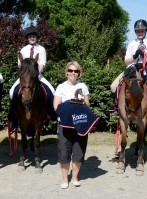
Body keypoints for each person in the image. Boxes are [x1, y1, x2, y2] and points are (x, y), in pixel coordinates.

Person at [109, 19, 147, 118]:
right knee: (113, 86)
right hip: (131, 69)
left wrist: (144, 64)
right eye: (138, 31)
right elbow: (126, 62)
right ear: (135, 32)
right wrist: (134, 56)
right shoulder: (131, 44)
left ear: (146, 31)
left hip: (146, 69)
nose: (140, 33)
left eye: (142, 30)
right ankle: (115, 107)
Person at [53, 61, 90, 189]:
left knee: (78, 152)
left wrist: (79, 106)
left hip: (80, 124)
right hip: (65, 124)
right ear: (67, 72)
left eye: (76, 71)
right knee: (64, 152)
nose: (73, 73)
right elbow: (56, 106)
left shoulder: (83, 86)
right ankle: (65, 179)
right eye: (71, 70)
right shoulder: (61, 87)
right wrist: (69, 106)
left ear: (79, 73)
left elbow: (87, 105)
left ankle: (74, 178)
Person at [9, 25, 55, 100]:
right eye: (30, 36)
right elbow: (20, 65)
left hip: (37, 75)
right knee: (11, 92)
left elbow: (42, 64)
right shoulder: (23, 50)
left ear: (36, 37)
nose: (32, 38)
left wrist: (35, 74)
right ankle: (14, 110)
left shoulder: (41, 49)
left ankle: (51, 111)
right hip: (25, 76)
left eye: (34, 36)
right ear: (28, 38)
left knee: (52, 91)